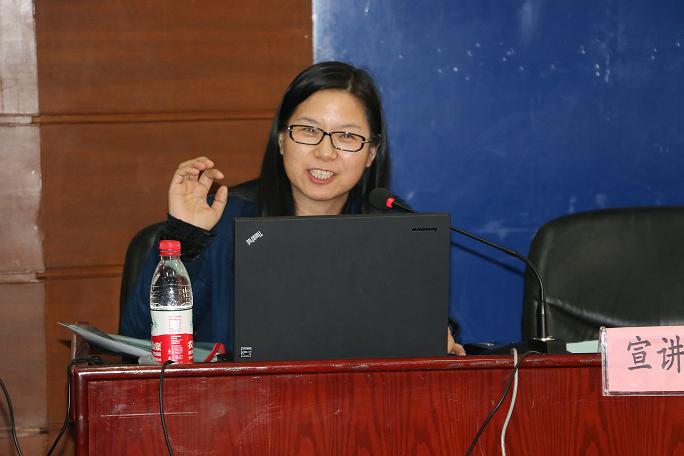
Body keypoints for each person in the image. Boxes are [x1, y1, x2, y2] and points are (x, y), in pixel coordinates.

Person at [120, 61, 465, 356]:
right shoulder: (221, 223)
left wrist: (435, 337)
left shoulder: (396, 232)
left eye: (347, 136)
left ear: (371, 153)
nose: (325, 153)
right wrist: (186, 238)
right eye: (309, 130)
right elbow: (137, 342)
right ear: (282, 139)